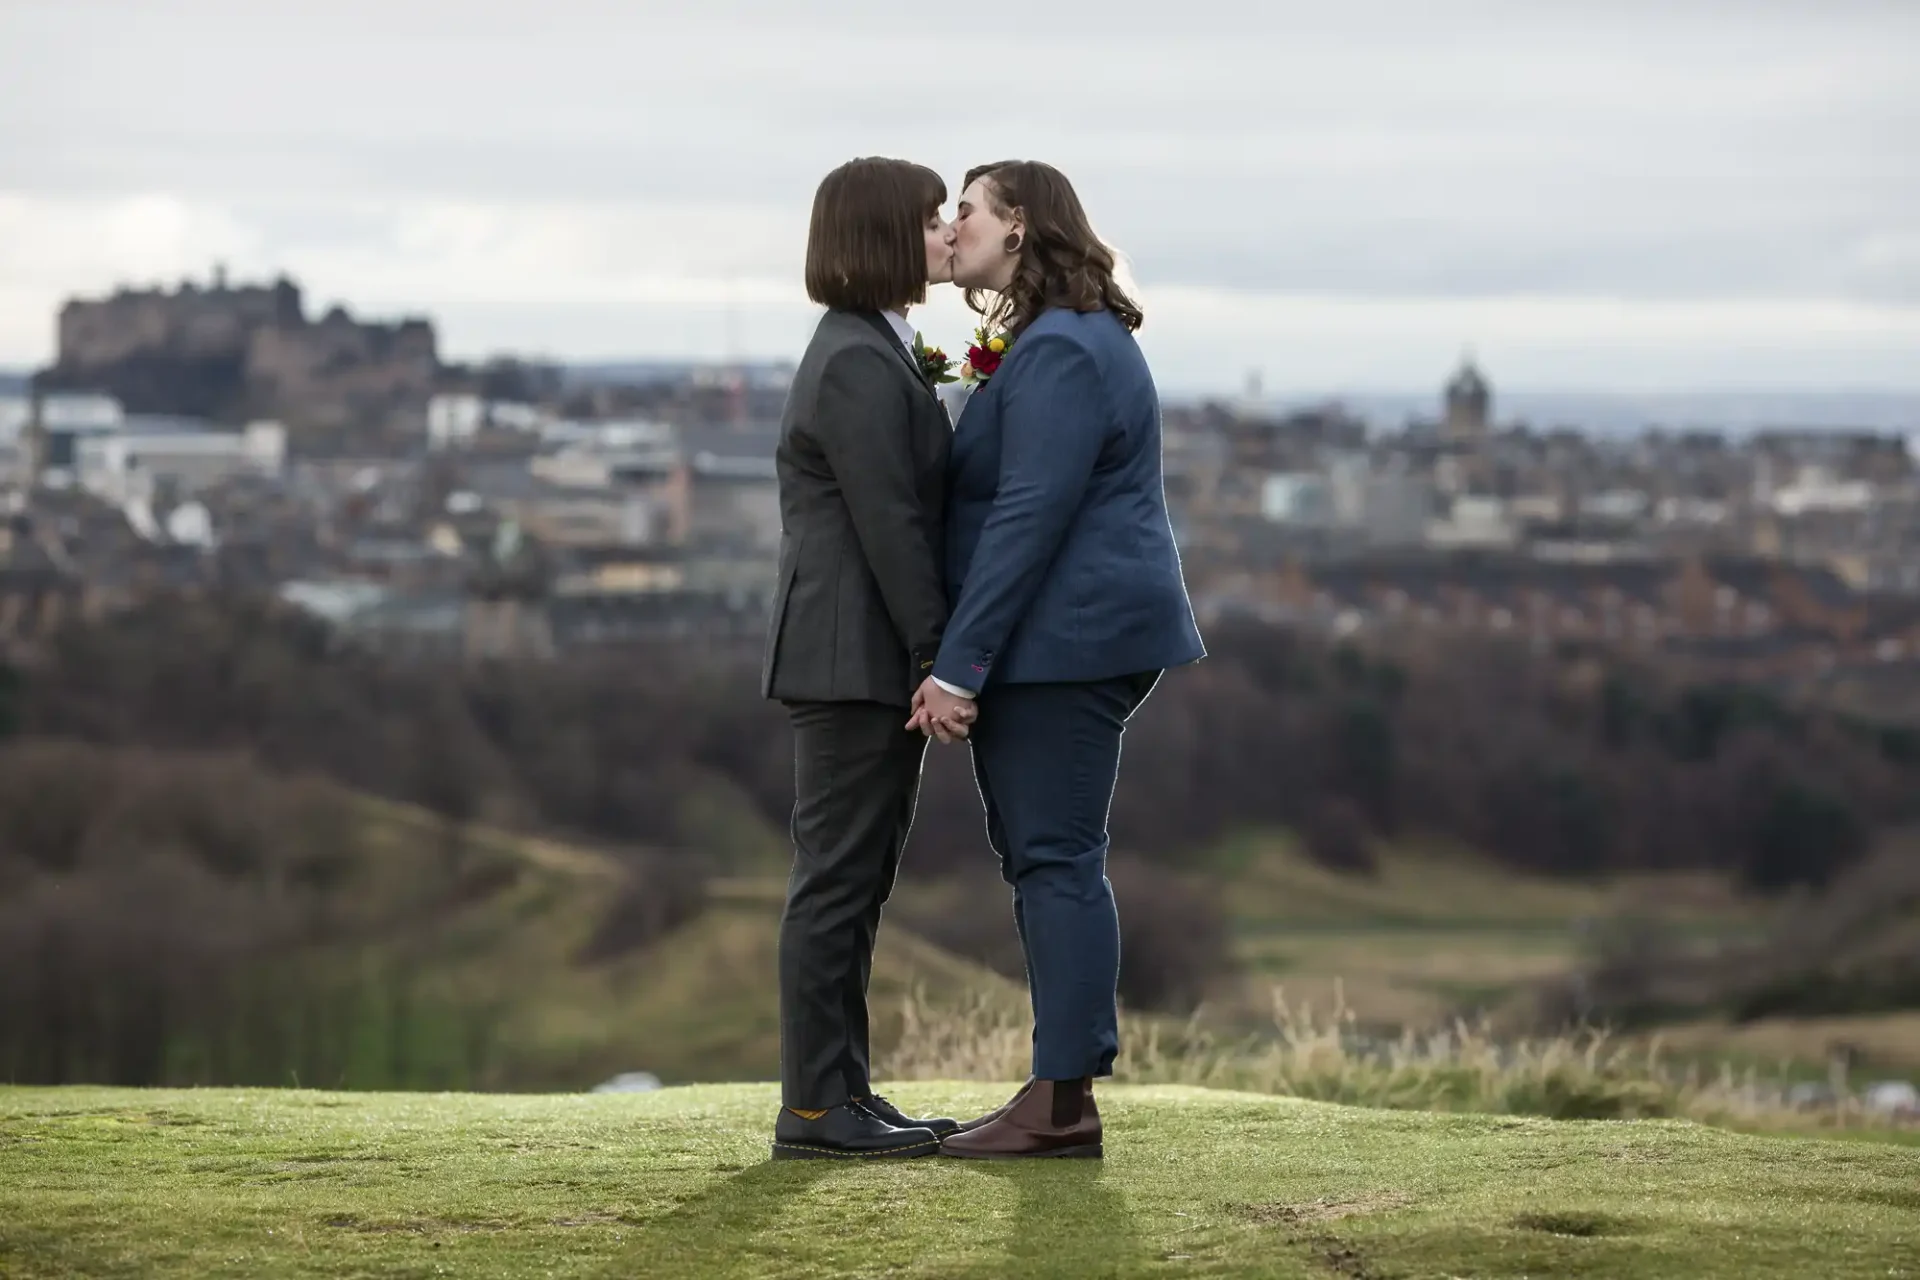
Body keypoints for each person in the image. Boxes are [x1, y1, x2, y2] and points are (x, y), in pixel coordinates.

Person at [907, 160, 1206, 1159]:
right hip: (1065, 640)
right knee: (1044, 855)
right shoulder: (1051, 339)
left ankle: (1063, 1100)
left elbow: (1031, 514)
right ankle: (1056, 1088)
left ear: (1021, 228)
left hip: (1069, 642)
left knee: (1056, 858)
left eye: (970, 211)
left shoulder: (1066, 350)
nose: (954, 226)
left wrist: (959, 667)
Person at [761, 157, 974, 1160]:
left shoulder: (881, 344)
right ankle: (811, 1109)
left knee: (859, 882)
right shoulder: (852, 358)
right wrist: (940, 655)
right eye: (932, 218)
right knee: (835, 883)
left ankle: (844, 1089)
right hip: (851, 657)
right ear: (884, 233)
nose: (946, 232)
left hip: (862, 656)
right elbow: (890, 523)